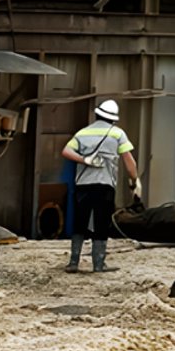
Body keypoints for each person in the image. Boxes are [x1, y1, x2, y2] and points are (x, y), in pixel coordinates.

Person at [62, 99, 137, 273]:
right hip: (105, 185)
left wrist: (84, 160)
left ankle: (73, 262)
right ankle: (98, 264)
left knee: (80, 221)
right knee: (102, 222)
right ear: (113, 119)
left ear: (97, 115)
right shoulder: (117, 134)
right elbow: (129, 162)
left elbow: (66, 151)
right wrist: (134, 179)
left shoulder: (82, 133)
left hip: (83, 184)